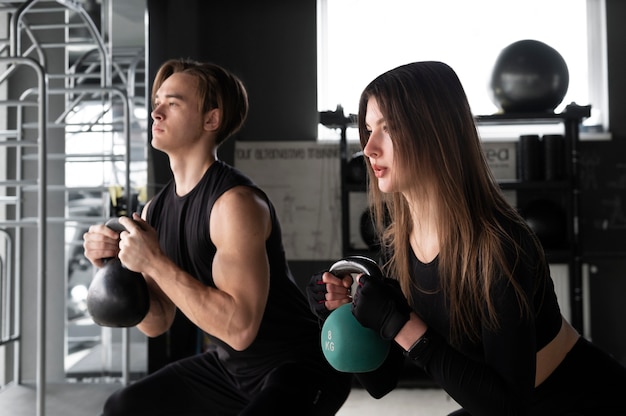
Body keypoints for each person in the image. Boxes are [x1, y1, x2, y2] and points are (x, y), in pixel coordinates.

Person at [307, 61, 626, 415]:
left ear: (436, 132)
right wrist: (342, 317)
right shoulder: (400, 244)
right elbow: (382, 383)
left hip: (580, 399)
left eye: (389, 127)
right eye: (368, 130)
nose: (369, 149)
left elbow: (507, 407)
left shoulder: (499, 246)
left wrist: (401, 323)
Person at [83, 58, 352, 416]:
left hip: (299, 366)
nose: (156, 112)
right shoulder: (155, 212)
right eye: (157, 103)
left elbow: (240, 328)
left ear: (211, 119)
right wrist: (114, 267)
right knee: (123, 407)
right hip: (231, 370)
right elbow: (157, 322)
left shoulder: (234, 204)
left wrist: (154, 261)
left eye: (173, 103)